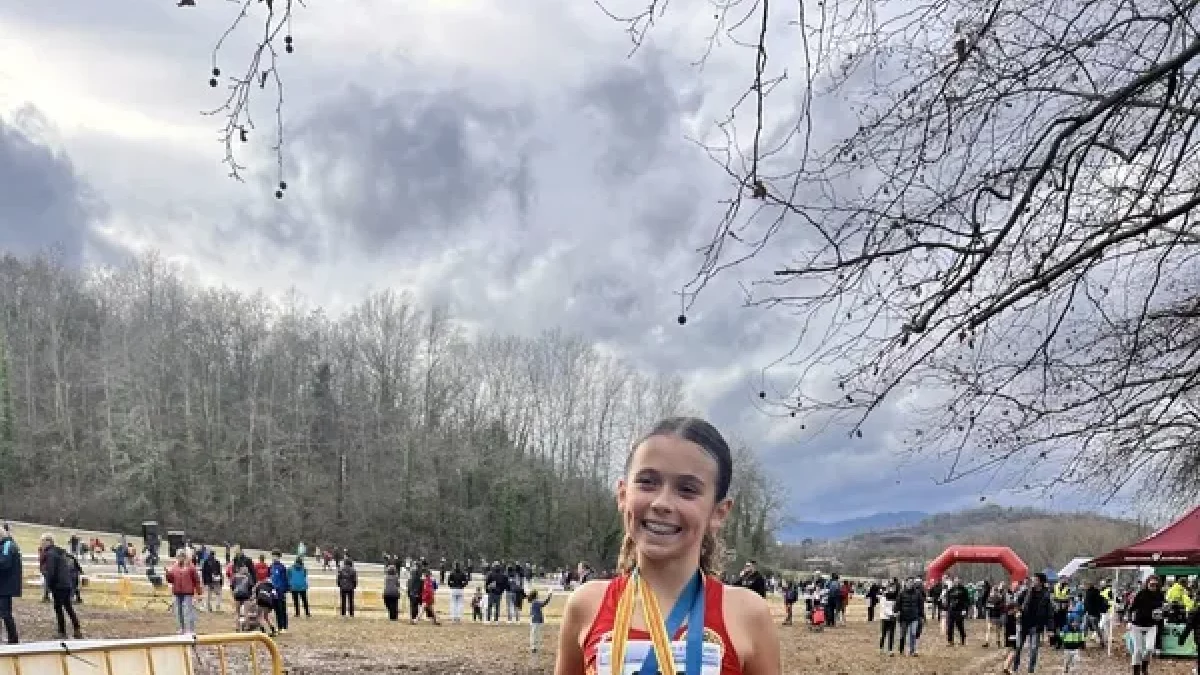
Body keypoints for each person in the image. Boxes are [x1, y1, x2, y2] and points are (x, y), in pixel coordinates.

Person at [554, 417, 781, 675]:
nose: (662, 503)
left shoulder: (748, 614)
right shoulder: (586, 605)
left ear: (719, 512)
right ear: (623, 494)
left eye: (687, 489)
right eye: (647, 482)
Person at [40, 534, 83, 639]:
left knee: (58, 608)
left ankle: (62, 631)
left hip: (58, 585)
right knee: (68, 607)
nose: (41, 544)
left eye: (42, 541)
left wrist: (49, 585)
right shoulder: (60, 552)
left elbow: (51, 571)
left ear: (48, 541)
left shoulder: (50, 554)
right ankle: (77, 629)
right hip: (67, 583)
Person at [1012, 573, 1054, 673]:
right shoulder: (1027, 591)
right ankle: (1015, 667)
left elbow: (1050, 613)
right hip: (1024, 623)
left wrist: (1050, 629)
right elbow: (1016, 603)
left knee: (1034, 649)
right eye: (1033, 579)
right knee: (1018, 647)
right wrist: (1017, 611)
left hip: (1037, 625)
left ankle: (1031, 670)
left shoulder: (1046, 595)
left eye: (1035, 580)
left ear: (1041, 582)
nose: (1033, 581)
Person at [1125, 575, 1165, 675]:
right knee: (1138, 650)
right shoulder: (1140, 594)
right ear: (1147, 584)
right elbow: (1130, 609)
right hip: (1137, 625)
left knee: (1150, 648)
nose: (1153, 587)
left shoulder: (1160, 595)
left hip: (1152, 625)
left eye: (1156, 585)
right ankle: (1136, 671)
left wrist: (1163, 611)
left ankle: (1144, 666)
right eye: (1151, 584)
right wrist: (1129, 621)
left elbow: (1161, 609)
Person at [165, 550, 202, 634]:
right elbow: (171, 580)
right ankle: (181, 628)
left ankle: (190, 630)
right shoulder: (174, 567)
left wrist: (199, 593)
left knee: (188, 611)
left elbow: (196, 580)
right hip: (177, 592)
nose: (179, 558)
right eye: (178, 556)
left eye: (180, 556)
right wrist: (167, 574)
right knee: (178, 612)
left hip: (188, 592)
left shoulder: (191, 567)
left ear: (184, 557)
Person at [0, 527, 21, 643]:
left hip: (5, 585)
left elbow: (4, 563)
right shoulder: (5, 545)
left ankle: (13, 639)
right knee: (4, 612)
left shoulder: (8, 545)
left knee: (5, 613)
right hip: (4, 584)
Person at [268, 551, 290, 632]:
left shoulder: (282, 567)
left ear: (279, 557)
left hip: (280, 591)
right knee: (276, 609)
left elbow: (285, 579)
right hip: (273, 591)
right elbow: (270, 578)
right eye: (273, 556)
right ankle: (279, 626)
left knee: (282, 609)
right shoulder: (271, 567)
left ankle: (284, 626)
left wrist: (284, 590)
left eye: (275, 556)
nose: (274, 558)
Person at [879, 579, 898, 655]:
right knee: (884, 633)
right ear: (888, 588)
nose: (892, 589)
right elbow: (883, 608)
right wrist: (892, 614)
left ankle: (890, 650)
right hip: (885, 617)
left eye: (894, 588)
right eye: (891, 587)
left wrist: (896, 613)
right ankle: (881, 648)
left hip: (893, 617)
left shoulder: (896, 597)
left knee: (892, 634)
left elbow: (896, 607)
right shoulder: (884, 597)